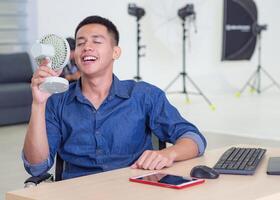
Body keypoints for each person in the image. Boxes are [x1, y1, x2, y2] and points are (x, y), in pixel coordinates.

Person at [23, 15, 207, 180]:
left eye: (96, 41)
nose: (87, 47)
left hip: (133, 189)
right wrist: (38, 104)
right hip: (77, 192)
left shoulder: (144, 95)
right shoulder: (57, 101)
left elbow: (194, 139)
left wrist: (169, 154)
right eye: (80, 43)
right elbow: (36, 167)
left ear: (115, 52)